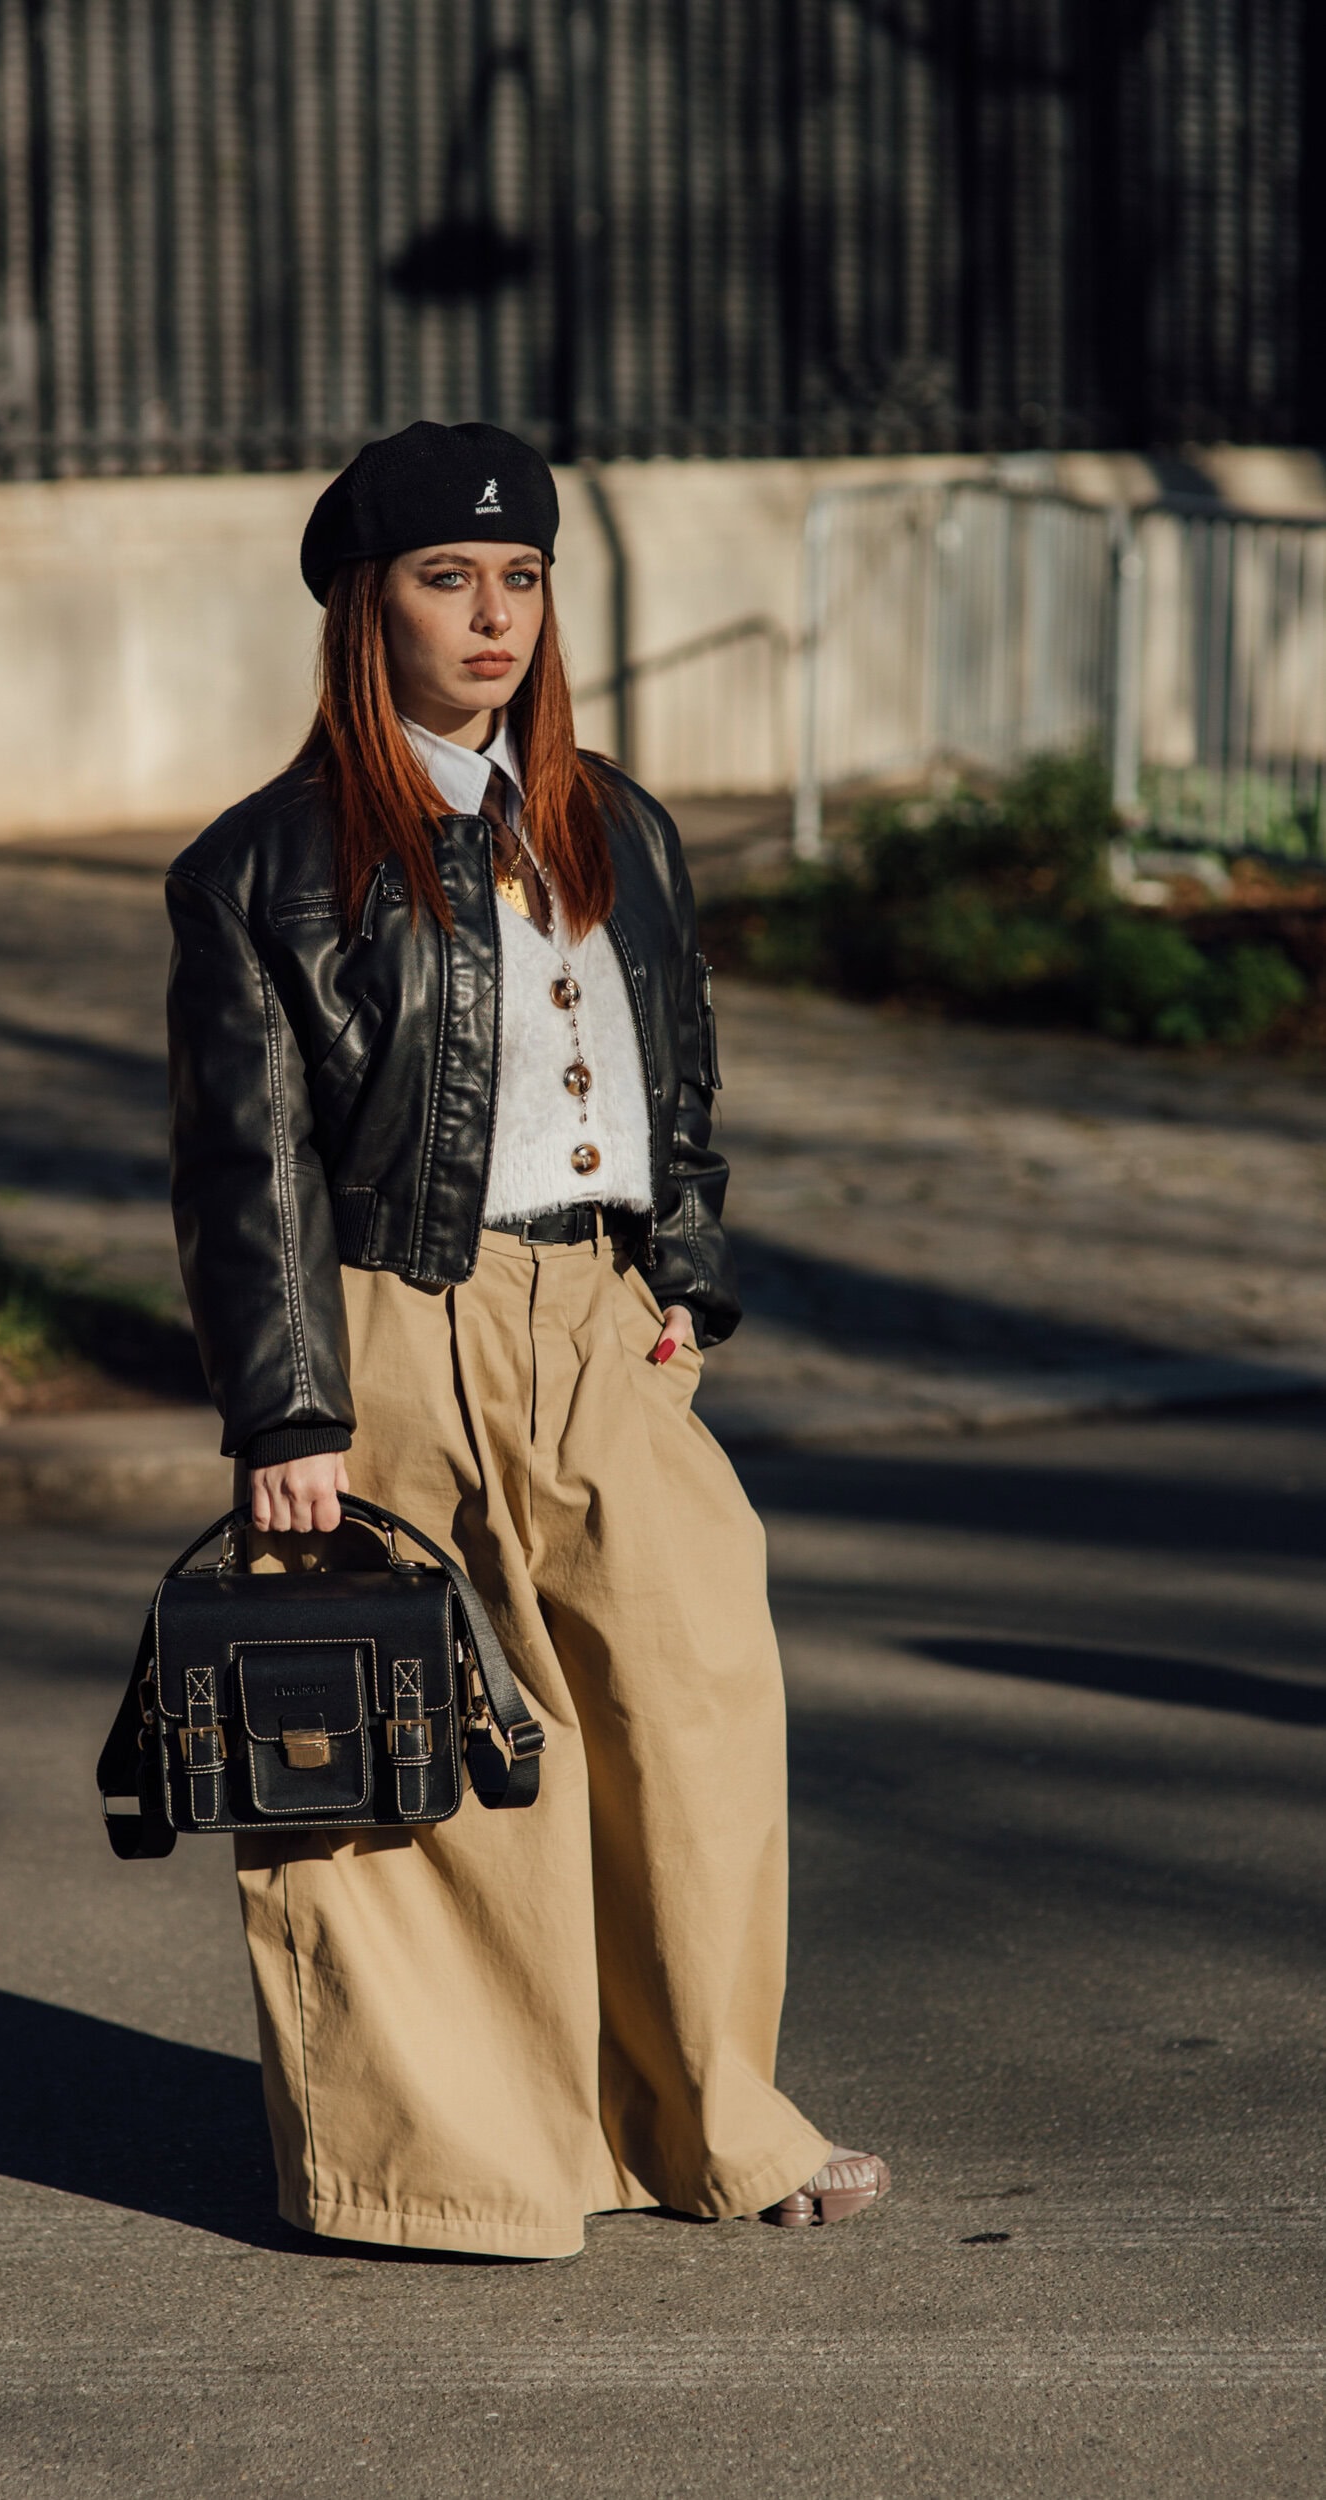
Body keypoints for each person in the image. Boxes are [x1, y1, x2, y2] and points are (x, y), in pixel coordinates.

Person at [165, 420, 889, 2259]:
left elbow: (684, 1074)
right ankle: (455, 2167)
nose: (492, 614)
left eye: (522, 578)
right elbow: (241, 1165)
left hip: (608, 1323)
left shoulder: (616, 822)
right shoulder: (264, 869)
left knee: (697, 1710)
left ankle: (716, 2124)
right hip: (397, 1320)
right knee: (434, 1756)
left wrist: (685, 1286)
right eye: (446, 577)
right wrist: (285, 1410)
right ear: (367, 606)